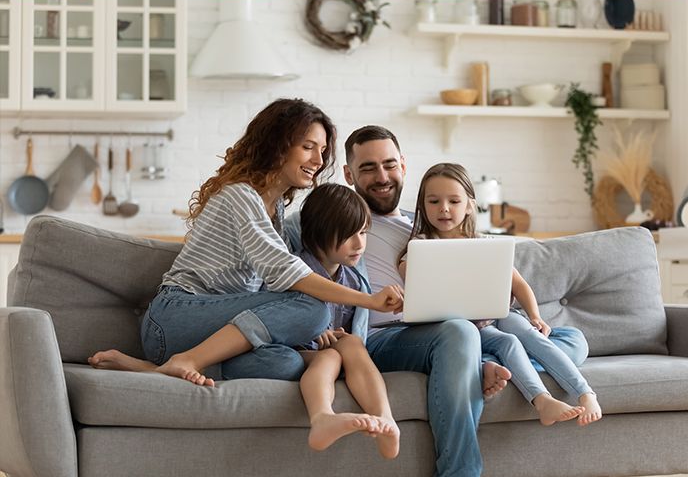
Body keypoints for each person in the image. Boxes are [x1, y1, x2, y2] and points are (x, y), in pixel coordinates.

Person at [88, 98, 403, 388]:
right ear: (278, 146)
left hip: (213, 329)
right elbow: (289, 274)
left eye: (322, 150)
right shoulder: (241, 195)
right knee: (315, 309)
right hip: (176, 318)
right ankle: (186, 360)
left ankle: (153, 369)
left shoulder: (275, 209)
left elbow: (272, 290)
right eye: (308, 147)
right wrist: (370, 301)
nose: (319, 160)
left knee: (287, 363)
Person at [333, 124, 591, 477]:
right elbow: (308, 268)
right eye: (368, 168)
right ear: (349, 174)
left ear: (403, 166)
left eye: (389, 164)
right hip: (388, 337)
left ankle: (480, 364)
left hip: (455, 330)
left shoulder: (423, 225)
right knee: (460, 332)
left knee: (571, 341)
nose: (382, 176)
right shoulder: (342, 223)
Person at [397, 162, 602, 427]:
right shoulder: (422, 246)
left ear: (470, 205)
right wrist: (411, 263)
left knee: (529, 333)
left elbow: (519, 285)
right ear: (423, 205)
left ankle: (585, 393)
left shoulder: (484, 243)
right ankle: (542, 400)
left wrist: (535, 316)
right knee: (510, 343)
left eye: (454, 201)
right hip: (466, 329)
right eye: (434, 201)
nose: (444, 208)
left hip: (498, 315)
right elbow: (407, 274)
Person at [294, 183, 399, 458]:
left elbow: (354, 331)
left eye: (363, 232)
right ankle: (323, 417)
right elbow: (280, 320)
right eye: (348, 235)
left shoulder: (353, 279)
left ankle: (386, 419)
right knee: (331, 357)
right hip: (299, 351)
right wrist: (314, 332)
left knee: (351, 345)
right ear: (318, 234)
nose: (359, 243)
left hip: (339, 352)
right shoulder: (296, 271)